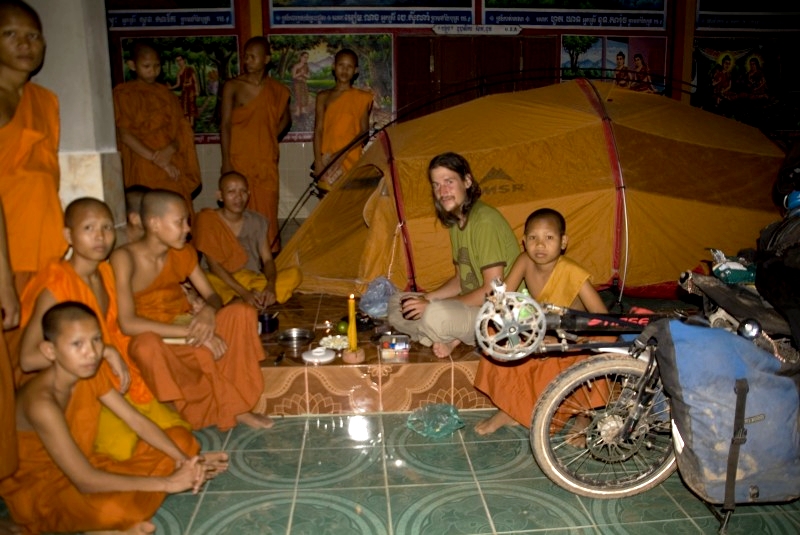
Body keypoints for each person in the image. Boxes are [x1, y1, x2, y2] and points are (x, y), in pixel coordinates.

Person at [0, 301, 228, 534]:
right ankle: (102, 525)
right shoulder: (41, 403)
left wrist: (184, 461)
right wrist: (168, 483)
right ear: (50, 351)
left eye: (97, 340)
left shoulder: (89, 372)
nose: (91, 353)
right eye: (77, 344)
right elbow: (84, 480)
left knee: (183, 440)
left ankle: (110, 525)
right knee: (115, 509)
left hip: (91, 464)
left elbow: (136, 420)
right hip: (46, 494)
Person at [18, 197, 190, 462]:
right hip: (77, 390)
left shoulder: (107, 273)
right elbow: (28, 359)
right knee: (125, 452)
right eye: (89, 228)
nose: (100, 237)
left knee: (182, 439)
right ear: (69, 235)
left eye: (107, 228)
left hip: (116, 383)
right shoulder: (55, 287)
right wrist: (104, 352)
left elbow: (126, 322)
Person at [110, 189, 272, 431]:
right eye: (179, 222)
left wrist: (207, 313)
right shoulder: (124, 258)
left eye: (187, 221)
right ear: (154, 224)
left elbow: (212, 295)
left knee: (242, 312)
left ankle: (235, 406)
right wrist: (191, 332)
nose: (187, 229)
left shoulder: (183, 253)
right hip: (157, 335)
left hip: (188, 322)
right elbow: (128, 323)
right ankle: (181, 416)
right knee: (145, 347)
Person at [472, 208, 609, 436]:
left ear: (563, 242)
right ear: (524, 242)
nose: (540, 245)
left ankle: (582, 417)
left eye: (549, 238)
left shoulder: (574, 273)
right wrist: (497, 303)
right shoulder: (524, 261)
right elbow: (504, 296)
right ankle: (510, 409)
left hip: (573, 342)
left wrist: (572, 340)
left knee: (591, 358)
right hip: (541, 331)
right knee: (495, 335)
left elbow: (603, 319)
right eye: (533, 238)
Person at [387, 152, 519, 359]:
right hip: (470, 305)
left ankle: (441, 333)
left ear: (467, 181)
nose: (442, 191)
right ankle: (442, 334)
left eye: (449, 181)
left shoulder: (484, 222)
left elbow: (492, 292)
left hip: (500, 312)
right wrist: (426, 298)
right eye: (436, 185)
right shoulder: (456, 222)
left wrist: (433, 305)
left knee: (434, 315)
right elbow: (460, 280)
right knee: (397, 300)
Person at [0, 0, 67, 308]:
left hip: (42, 247)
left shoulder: (45, 100)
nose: (24, 44)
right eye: (10, 34)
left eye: (33, 35)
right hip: (6, 255)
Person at [113, 41, 201, 214]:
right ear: (132, 65)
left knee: (177, 213)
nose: (153, 70)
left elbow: (182, 130)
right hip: (143, 163)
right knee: (148, 214)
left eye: (157, 65)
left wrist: (172, 148)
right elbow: (124, 134)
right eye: (146, 66)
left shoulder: (167, 95)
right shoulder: (123, 94)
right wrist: (156, 158)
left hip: (171, 163)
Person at [220, 36, 290, 254]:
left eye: (252, 56)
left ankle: (268, 254)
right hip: (239, 158)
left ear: (266, 59)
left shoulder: (277, 90)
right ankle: (238, 255)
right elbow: (224, 125)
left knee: (267, 208)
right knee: (238, 207)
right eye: (245, 56)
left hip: (265, 160)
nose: (247, 61)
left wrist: (268, 137)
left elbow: (286, 120)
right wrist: (226, 162)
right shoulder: (233, 86)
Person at [193, 172, 301, 310]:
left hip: (249, 279)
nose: (238, 197)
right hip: (219, 279)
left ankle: (243, 301)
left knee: (295, 274)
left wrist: (270, 286)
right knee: (205, 281)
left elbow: (267, 260)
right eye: (231, 192)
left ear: (249, 194)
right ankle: (250, 299)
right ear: (220, 196)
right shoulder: (207, 220)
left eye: (243, 191)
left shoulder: (257, 221)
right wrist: (244, 292)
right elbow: (214, 266)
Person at [313, 48, 373, 191]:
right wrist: (318, 161)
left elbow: (364, 132)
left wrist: (343, 154)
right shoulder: (323, 96)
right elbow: (318, 130)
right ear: (334, 67)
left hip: (350, 158)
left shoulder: (362, 98)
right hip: (328, 160)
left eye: (349, 67)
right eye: (341, 65)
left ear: (356, 70)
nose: (344, 70)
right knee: (328, 204)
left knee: (347, 206)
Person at [169, 54, 199, 128]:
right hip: (184, 92)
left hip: (191, 91)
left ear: (184, 60)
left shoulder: (190, 69)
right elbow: (178, 84)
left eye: (180, 60)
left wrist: (197, 90)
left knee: (191, 106)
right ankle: (187, 125)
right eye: (177, 61)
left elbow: (195, 81)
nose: (179, 62)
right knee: (184, 107)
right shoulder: (179, 72)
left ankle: (192, 124)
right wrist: (170, 88)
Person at [291, 51, 310, 117]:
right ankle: (298, 110)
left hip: (303, 83)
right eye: (305, 57)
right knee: (298, 96)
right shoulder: (296, 66)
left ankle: (303, 109)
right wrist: (300, 74)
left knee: (304, 96)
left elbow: (308, 76)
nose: (306, 59)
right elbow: (293, 76)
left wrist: (304, 74)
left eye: (307, 57)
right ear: (301, 57)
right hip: (297, 83)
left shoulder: (306, 66)